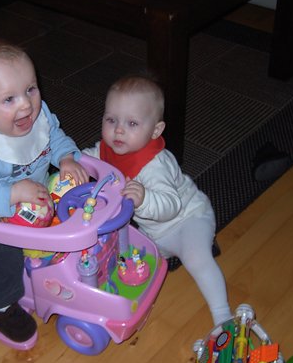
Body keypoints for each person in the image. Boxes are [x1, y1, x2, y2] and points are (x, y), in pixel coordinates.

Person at [0, 39, 88, 342]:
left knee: (79, 197)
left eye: (30, 89)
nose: (26, 104)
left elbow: (53, 136)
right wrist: (12, 194)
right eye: (8, 99)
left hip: (35, 197)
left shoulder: (35, 116)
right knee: (0, 253)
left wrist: (66, 158)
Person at [83, 75, 232, 325]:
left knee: (196, 259)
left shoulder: (155, 166)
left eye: (132, 123)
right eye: (111, 120)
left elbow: (171, 205)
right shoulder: (108, 148)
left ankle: (223, 314)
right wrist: (73, 163)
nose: (118, 130)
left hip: (187, 219)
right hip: (153, 232)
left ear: (155, 130)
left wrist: (144, 199)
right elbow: (89, 159)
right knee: (119, 252)